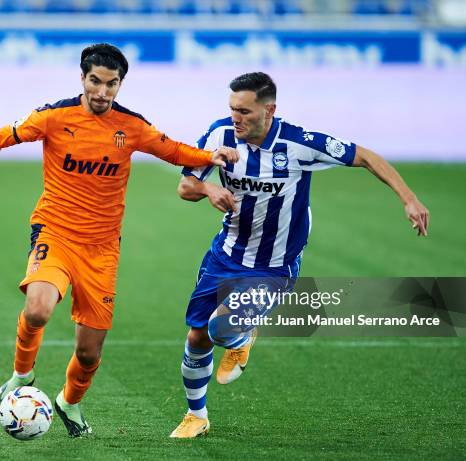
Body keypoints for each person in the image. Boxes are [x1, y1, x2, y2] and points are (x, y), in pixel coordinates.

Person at [0, 43, 238, 438]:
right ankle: (22, 374)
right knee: (37, 309)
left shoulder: (132, 127)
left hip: (102, 249)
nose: (102, 92)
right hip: (54, 231)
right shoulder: (54, 117)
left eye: (111, 84)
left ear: (120, 85)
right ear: (82, 78)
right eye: (95, 81)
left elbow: (173, 150)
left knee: (89, 352)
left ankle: (69, 401)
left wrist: (211, 155)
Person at [170, 72, 429, 438]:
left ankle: (242, 336)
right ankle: (196, 415)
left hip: (275, 265)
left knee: (221, 327)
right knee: (197, 337)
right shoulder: (220, 135)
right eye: (232, 109)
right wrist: (209, 189)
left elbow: (366, 157)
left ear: (269, 110)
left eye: (244, 111)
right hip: (225, 255)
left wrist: (409, 199)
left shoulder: (298, 143)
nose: (235, 118)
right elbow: (185, 185)